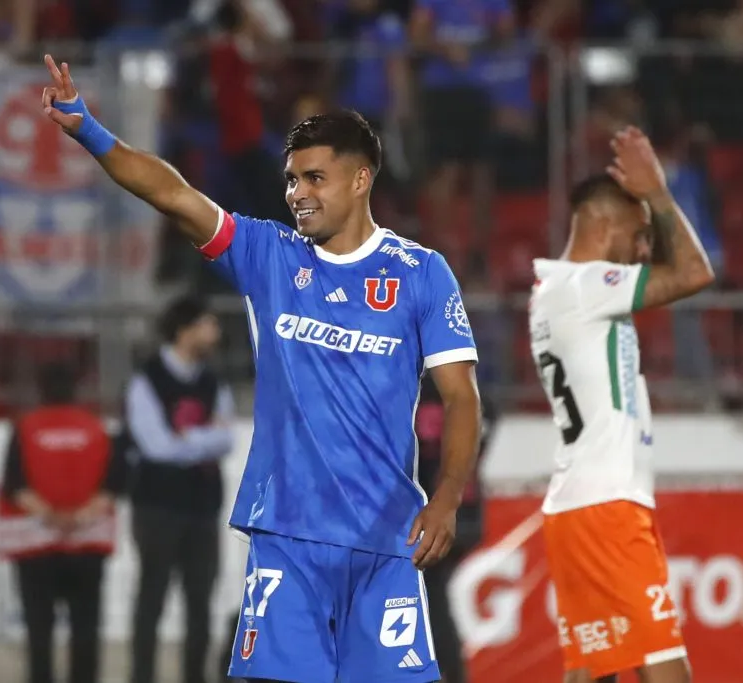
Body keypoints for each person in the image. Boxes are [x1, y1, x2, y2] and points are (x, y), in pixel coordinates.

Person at [40, 54, 482, 683]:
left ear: (360, 180)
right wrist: (89, 130)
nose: (297, 194)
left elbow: (461, 399)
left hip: (387, 539)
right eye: (292, 180)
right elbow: (172, 193)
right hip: (288, 534)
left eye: (314, 179)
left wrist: (447, 498)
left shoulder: (421, 273)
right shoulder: (266, 255)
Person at [529, 126, 714, 683]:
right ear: (602, 225)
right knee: (667, 671)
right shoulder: (584, 286)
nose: (643, 251)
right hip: (608, 508)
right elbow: (694, 273)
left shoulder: (559, 291)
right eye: (638, 236)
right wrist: (658, 192)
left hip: (582, 506)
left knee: (594, 671)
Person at [123, 295, 236, 683]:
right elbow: (156, 446)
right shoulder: (147, 379)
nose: (215, 332)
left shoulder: (211, 380)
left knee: (200, 605)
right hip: (157, 508)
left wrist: (187, 438)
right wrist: (205, 438)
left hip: (203, 508)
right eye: (207, 323)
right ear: (184, 330)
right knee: (151, 600)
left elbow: (228, 440)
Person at [0, 361, 117, 683]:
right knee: (86, 629)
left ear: (41, 391)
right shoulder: (96, 429)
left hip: (36, 548)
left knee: (39, 631)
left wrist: (51, 517)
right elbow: (113, 486)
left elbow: (15, 486)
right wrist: (78, 518)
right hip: (88, 547)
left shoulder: (24, 428)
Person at [414, 378, 496, 683]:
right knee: (434, 598)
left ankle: (447, 674)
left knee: (432, 600)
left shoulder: (422, 400)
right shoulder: (475, 396)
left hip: (438, 514)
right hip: (469, 511)